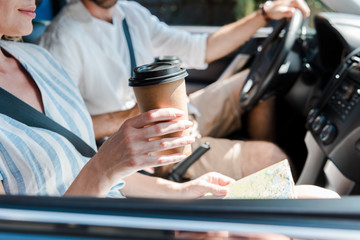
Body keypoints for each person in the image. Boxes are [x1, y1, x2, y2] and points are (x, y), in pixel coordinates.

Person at [39, 0, 310, 180]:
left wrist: (264, 15)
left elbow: (201, 48)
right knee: (274, 160)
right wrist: (137, 115)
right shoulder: (64, 38)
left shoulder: (130, 14)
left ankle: (248, 175)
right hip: (147, 148)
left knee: (252, 83)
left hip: (178, 116)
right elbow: (60, 126)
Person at [0, 0, 239, 198]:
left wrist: (179, 191)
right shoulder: (65, 36)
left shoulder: (39, 59)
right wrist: (104, 165)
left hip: (123, 212)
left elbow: (86, 164)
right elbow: (19, 232)